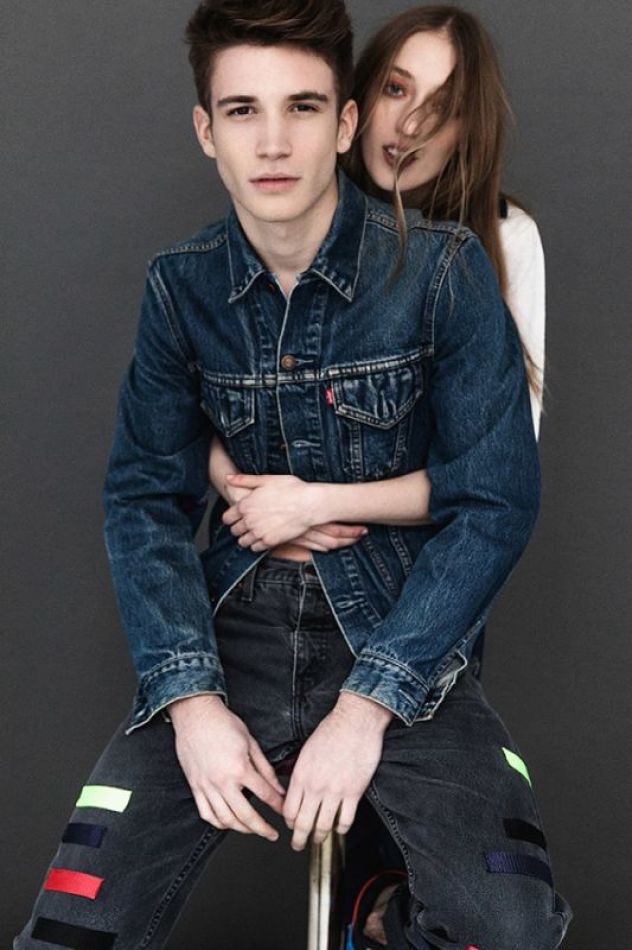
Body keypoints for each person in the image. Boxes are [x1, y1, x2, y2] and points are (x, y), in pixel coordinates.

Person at [14, 3, 571, 950]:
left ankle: (379, 913)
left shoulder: (449, 269)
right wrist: (191, 703)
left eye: (302, 108)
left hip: (402, 631)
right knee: (71, 927)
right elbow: (145, 498)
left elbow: (494, 497)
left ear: (341, 123)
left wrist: (368, 705)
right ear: (206, 130)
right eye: (242, 111)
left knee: (510, 924)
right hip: (230, 632)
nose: (273, 143)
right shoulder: (180, 286)